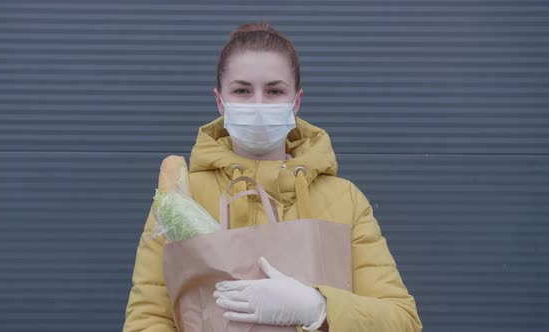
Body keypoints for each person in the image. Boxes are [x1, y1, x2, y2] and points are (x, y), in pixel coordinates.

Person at [123, 22, 423, 332]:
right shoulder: (181, 200)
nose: (258, 104)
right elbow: (147, 319)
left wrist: (318, 308)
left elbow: (403, 321)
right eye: (242, 90)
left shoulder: (344, 200)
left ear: (296, 102)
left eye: (274, 91)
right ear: (220, 101)